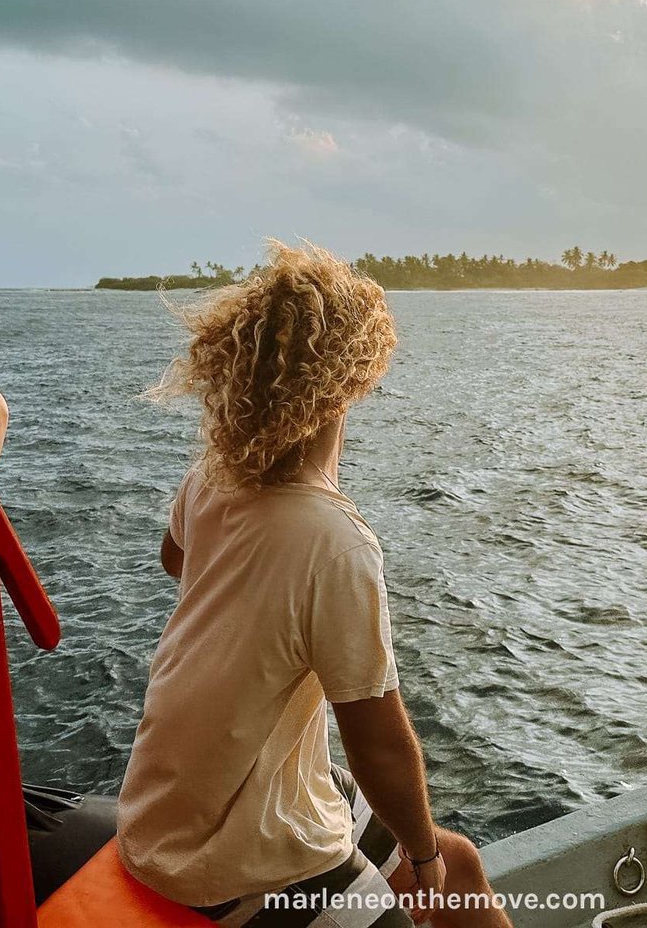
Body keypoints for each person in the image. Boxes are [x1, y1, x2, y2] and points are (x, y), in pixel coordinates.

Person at [119, 242, 511, 927]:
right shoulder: (334, 540)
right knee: (435, 881)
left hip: (172, 803)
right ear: (353, 382)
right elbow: (377, 739)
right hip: (233, 852)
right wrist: (419, 863)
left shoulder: (210, 479)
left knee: (465, 865)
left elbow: (174, 561)